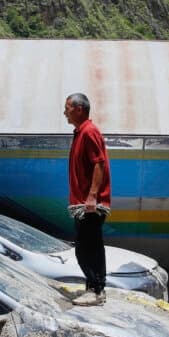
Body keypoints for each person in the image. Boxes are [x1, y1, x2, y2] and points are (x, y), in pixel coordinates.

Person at [64, 92, 111, 305]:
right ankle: (93, 288)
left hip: (90, 204)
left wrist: (92, 196)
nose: (64, 112)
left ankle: (96, 290)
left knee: (87, 248)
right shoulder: (80, 132)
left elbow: (99, 164)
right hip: (83, 204)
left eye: (67, 108)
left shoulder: (89, 131)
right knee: (87, 247)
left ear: (79, 109)